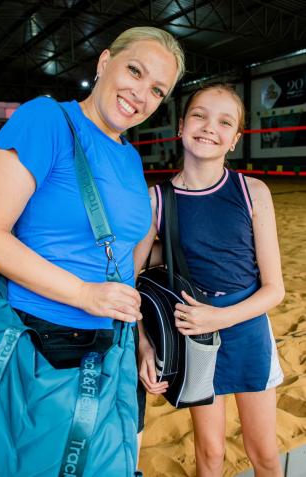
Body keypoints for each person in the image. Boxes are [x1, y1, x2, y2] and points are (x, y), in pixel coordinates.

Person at [0, 26, 185, 464]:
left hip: (113, 349)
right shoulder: (45, 119)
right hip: (40, 344)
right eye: (135, 71)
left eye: (157, 90)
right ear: (104, 61)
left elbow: (124, 267)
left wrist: (141, 342)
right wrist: (83, 294)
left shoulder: (131, 158)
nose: (141, 94)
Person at [135, 82, 285, 476]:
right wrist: (143, 344)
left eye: (224, 121)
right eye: (199, 115)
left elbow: (275, 290)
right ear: (182, 125)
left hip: (247, 329)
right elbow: (129, 280)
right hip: (195, 339)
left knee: (265, 455)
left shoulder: (252, 192)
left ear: (235, 138)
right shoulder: (157, 200)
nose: (208, 127)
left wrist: (219, 317)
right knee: (210, 455)